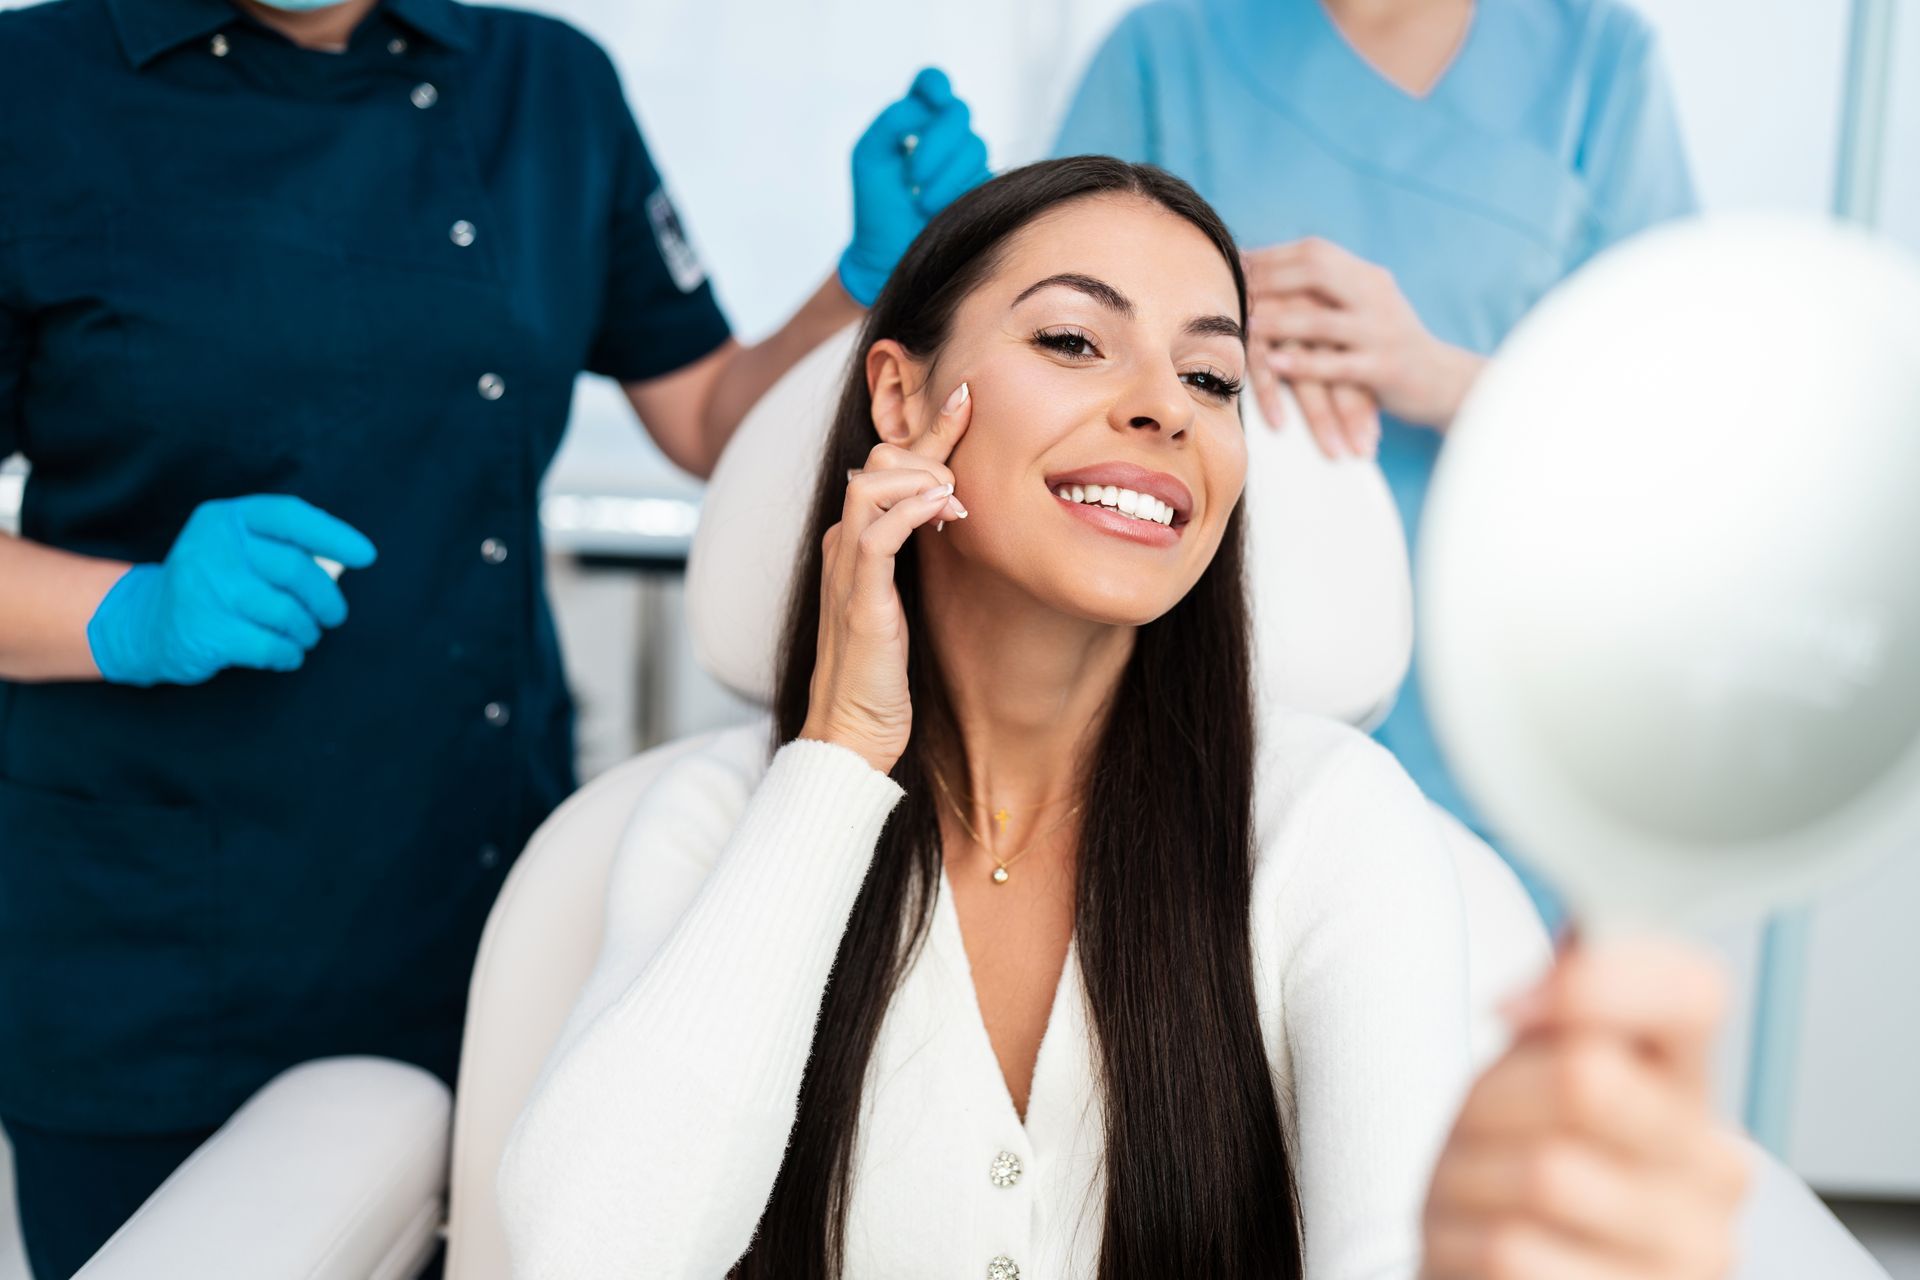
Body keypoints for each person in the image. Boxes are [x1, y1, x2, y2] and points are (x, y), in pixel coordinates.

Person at [497, 157, 1747, 1278]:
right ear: (898, 394)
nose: (1167, 407)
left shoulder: (1327, 824)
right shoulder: (722, 817)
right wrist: (835, 760)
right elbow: (591, 1252)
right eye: (1076, 342)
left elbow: (1393, 1246)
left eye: (1212, 375)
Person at [0, 0, 988, 1270]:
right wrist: (123, 613)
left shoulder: (546, 85)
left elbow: (705, 414)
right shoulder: (34, 88)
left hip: (476, 888)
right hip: (154, 948)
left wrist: (864, 283)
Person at [1052, 0, 1698, 921]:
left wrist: (1437, 375)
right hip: (1187, 703)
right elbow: (1042, 343)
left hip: (1492, 721)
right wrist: (1192, 329)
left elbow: (1681, 433)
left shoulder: (1595, 63)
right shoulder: (1168, 49)